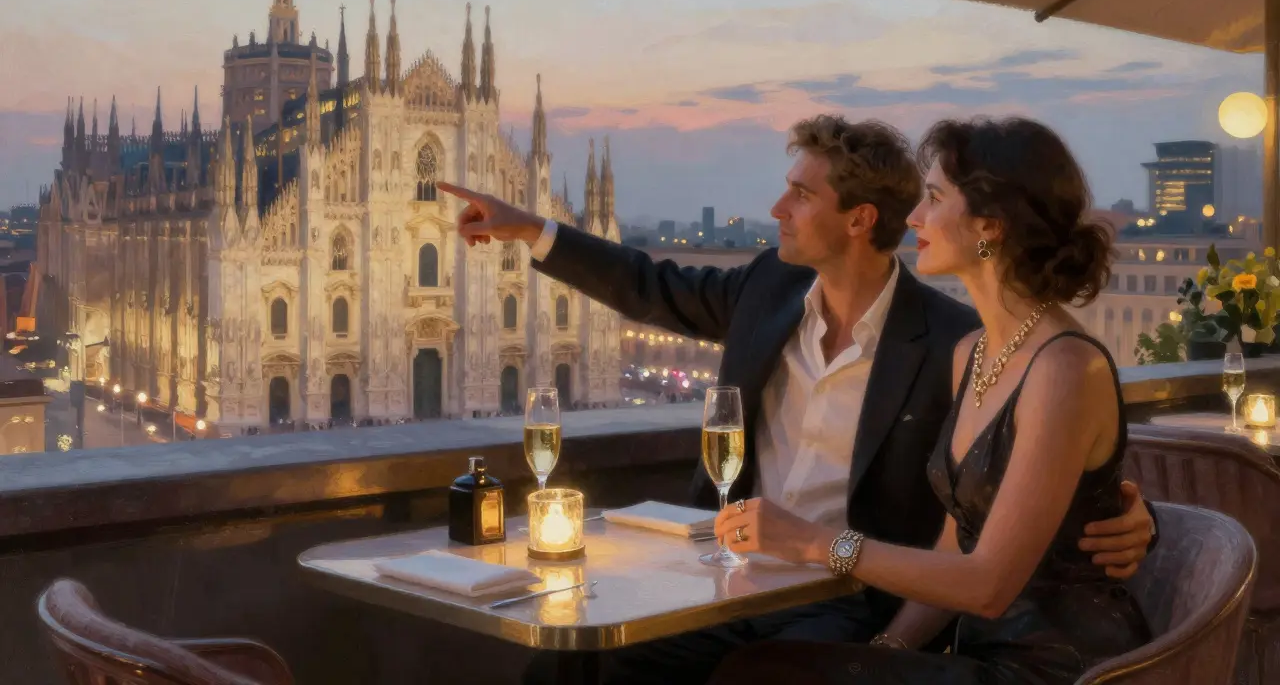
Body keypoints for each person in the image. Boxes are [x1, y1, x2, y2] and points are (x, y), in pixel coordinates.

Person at [437, 114, 1156, 685]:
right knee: (567, 670)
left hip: (855, 605)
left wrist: (1135, 514)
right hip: (736, 585)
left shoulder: (953, 341)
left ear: (860, 219)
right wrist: (528, 228)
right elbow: (647, 284)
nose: (777, 208)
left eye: (801, 195)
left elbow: (1012, 519)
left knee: (756, 677)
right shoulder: (783, 294)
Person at [707, 116, 1152, 684]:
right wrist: (886, 648)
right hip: (972, 653)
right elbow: (951, 550)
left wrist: (816, 543)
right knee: (755, 669)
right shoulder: (971, 351)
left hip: (1055, 667)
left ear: (990, 225)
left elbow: (988, 585)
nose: (914, 217)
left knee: (759, 676)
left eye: (935, 198)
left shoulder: (1064, 368)